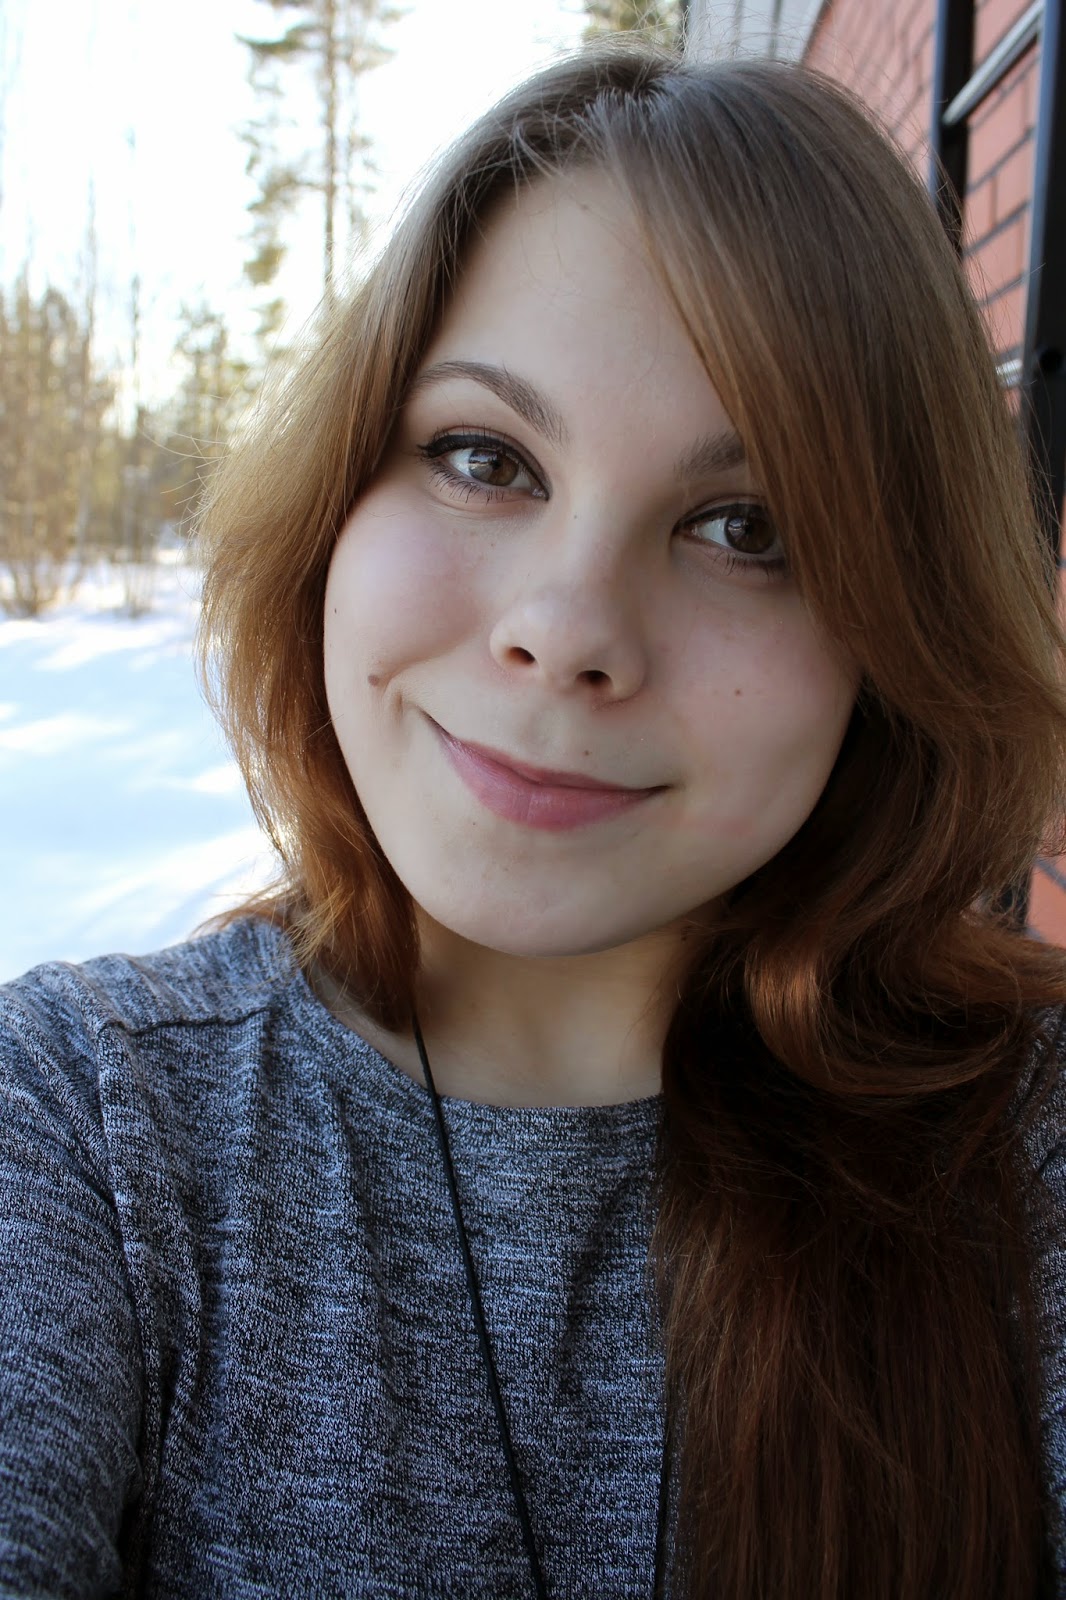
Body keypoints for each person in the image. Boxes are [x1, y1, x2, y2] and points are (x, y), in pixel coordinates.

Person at [2, 38, 1065, 1600]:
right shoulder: (83, 1132)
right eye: (483, 458)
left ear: (889, 635)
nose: (565, 631)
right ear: (338, 501)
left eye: (744, 526)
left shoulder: (1024, 1152)